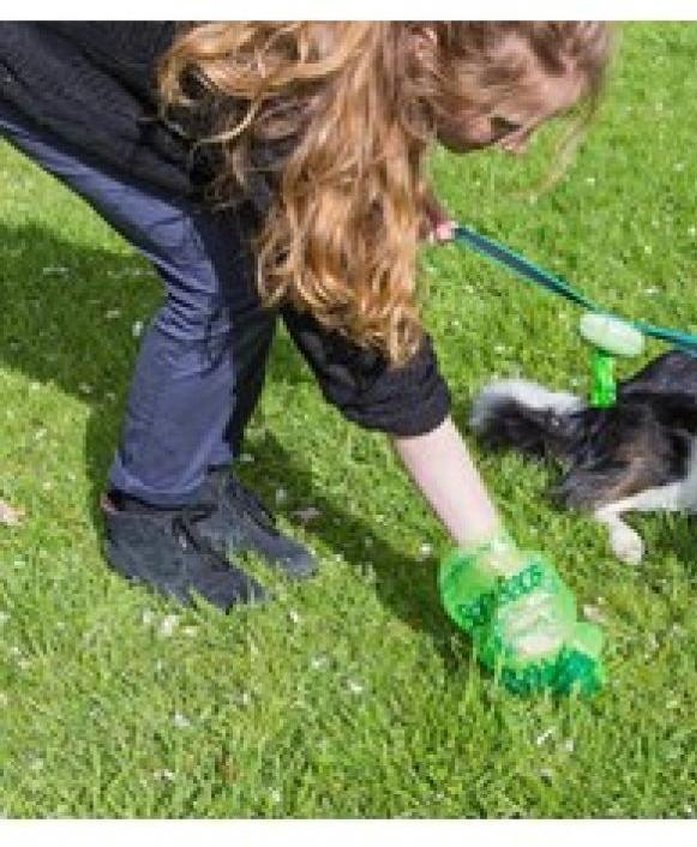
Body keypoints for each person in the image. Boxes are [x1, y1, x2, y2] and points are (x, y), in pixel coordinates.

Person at [0, 22, 613, 688]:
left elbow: (355, 114)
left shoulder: (369, 48)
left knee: (248, 254)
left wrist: (391, 174)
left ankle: (198, 481)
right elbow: (373, 352)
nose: (517, 148)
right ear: (427, 47)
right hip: (37, 54)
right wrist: (493, 557)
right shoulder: (297, 97)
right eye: (503, 122)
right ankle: (149, 513)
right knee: (217, 277)